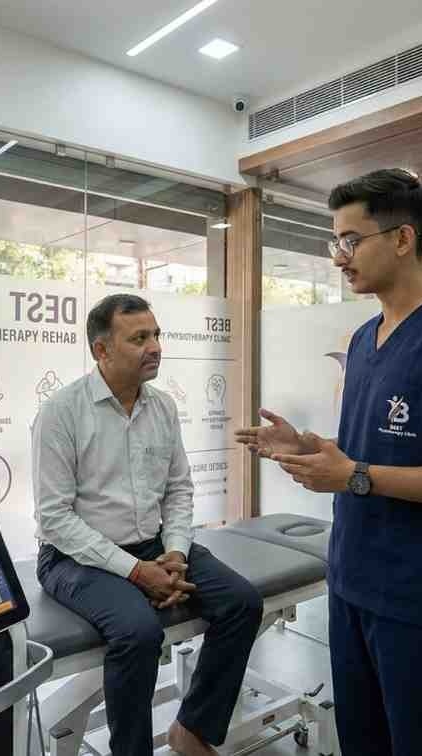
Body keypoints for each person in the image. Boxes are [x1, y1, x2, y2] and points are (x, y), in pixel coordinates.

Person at [236, 169, 422, 756]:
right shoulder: (365, 339)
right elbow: (370, 454)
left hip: (421, 598)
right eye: (335, 242)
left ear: (402, 238)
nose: (339, 257)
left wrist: (357, 476)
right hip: (351, 583)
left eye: (351, 240)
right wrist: (309, 448)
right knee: (361, 742)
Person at [33, 294, 263, 756]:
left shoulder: (162, 407)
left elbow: (178, 490)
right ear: (101, 350)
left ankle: (192, 729)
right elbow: (55, 519)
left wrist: (174, 553)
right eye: (139, 338)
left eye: (156, 335)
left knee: (242, 602)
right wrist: (138, 572)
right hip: (72, 558)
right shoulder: (61, 412)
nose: (155, 347)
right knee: (138, 633)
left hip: (153, 545)